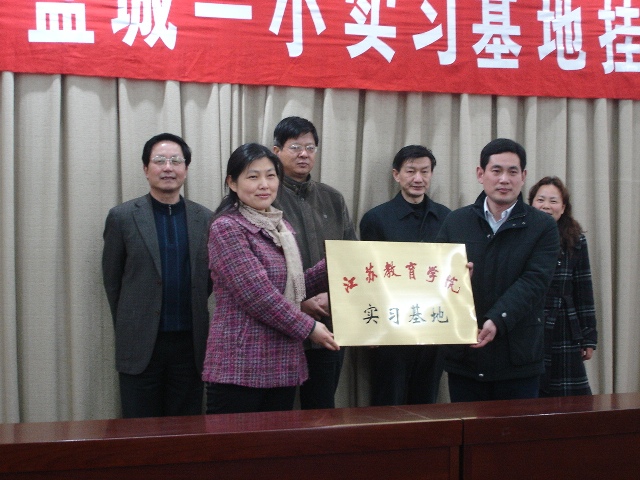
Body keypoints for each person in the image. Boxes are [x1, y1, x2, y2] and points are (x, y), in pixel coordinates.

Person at [203, 143, 339, 414]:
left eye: (271, 175)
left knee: (278, 442)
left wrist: (339, 263)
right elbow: (259, 297)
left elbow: (294, 287)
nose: (264, 185)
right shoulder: (227, 227)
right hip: (240, 368)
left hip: (282, 365)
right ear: (232, 182)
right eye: (253, 177)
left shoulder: (281, 227)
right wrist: (310, 328)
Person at [435, 138, 560, 402]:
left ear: (523, 176)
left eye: (512, 172)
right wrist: (455, 280)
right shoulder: (456, 221)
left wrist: (497, 319)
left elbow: (535, 281)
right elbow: (434, 276)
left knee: (515, 429)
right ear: (480, 174)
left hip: (518, 358)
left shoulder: (543, 226)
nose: (504, 179)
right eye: (496, 170)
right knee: (467, 428)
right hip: (465, 356)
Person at [102, 133, 213, 418]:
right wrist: (131, 321)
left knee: (185, 428)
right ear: (145, 168)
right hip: (141, 344)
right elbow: (113, 281)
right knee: (139, 429)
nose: (168, 168)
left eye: (176, 161)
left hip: (190, 343)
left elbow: (209, 280)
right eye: (160, 160)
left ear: (186, 168)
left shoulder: (205, 218)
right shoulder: (123, 217)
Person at [272, 116, 357, 409]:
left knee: (321, 412)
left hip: (328, 323)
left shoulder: (333, 198)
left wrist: (335, 297)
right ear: (276, 151)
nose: (304, 154)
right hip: (280, 329)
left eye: (310, 147)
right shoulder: (265, 197)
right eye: (295, 147)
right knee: (277, 414)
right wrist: (298, 302)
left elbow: (351, 258)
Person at [359, 145, 451, 405]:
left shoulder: (447, 217)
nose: (418, 178)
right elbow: (367, 276)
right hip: (391, 329)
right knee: (389, 402)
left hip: (434, 327)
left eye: (425, 171)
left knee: (427, 401)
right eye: (410, 171)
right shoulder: (376, 218)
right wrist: (370, 329)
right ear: (396, 175)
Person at [528, 176, 597, 396]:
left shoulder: (575, 239)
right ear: (531, 203)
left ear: (563, 207)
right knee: (529, 396)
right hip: (529, 324)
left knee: (569, 401)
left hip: (564, 326)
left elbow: (584, 290)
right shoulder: (521, 236)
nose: (546, 206)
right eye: (540, 200)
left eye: (553, 201)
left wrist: (588, 337)